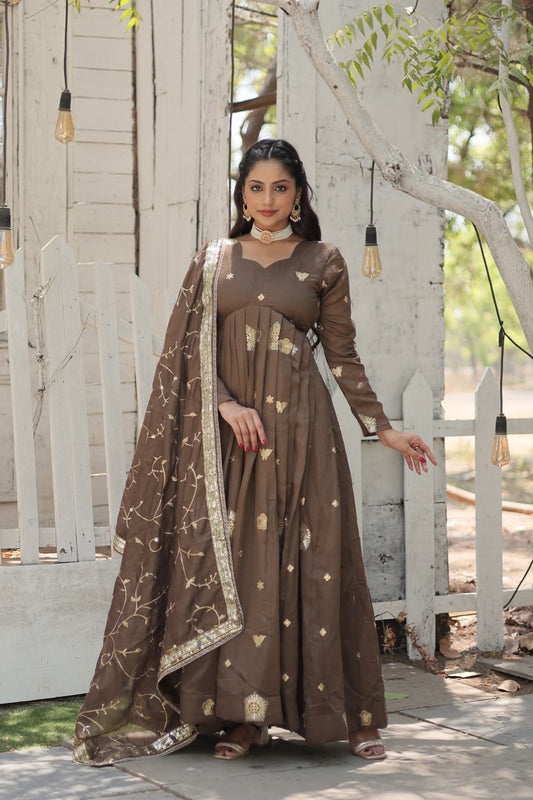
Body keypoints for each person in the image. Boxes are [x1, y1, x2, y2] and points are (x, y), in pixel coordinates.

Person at [73, 139, 435, 767]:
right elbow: (186, 350)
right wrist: (225, 404)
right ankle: (242, 718)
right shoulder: (213, 260)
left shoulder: (324, 260)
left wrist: (384, 429)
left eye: (280, 188)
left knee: (316, 564)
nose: (267, 200)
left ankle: (349, 718)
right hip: (231, 442)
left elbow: (343, 356)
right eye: (256, 188)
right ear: (242, 195)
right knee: (239, 571)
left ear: (298, 196)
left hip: (303, 435)